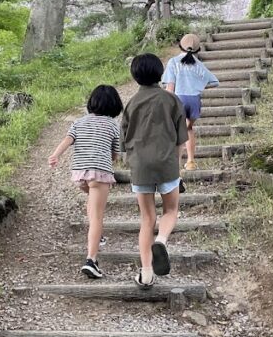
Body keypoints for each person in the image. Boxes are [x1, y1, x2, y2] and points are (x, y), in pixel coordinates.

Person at [121, 54, 188, 288]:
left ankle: (147, 273)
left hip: (140, 166)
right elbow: (181, 139)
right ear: (160, 73)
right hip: (167, 164)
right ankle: (161, 240)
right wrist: (177, 165)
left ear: (135, 76)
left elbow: (123, 140)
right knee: (170, 210)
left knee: (146, 218)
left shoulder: (131, 103)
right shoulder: (171, 100)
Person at [48, 84, 123, 279]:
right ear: (114, 105)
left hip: (80, 173)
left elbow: (68, 139)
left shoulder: (79, 122)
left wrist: (55, 155)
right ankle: (91, 260)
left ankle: (98, 237)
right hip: (100, 173)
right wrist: (111, 158)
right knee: (98, 216)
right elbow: (116, 153)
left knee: (91, 202)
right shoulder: (112, 125)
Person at [162, 33, 219, 171]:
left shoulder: (174, 62)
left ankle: (175, 164)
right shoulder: (199, 64)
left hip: (178, 98)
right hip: (194, 100)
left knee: (176, 131)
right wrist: (198, 86)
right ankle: (191, 161)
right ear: (198, 50)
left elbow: (170, 87)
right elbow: (214, 82)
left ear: (180, 46)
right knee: (188, 129)